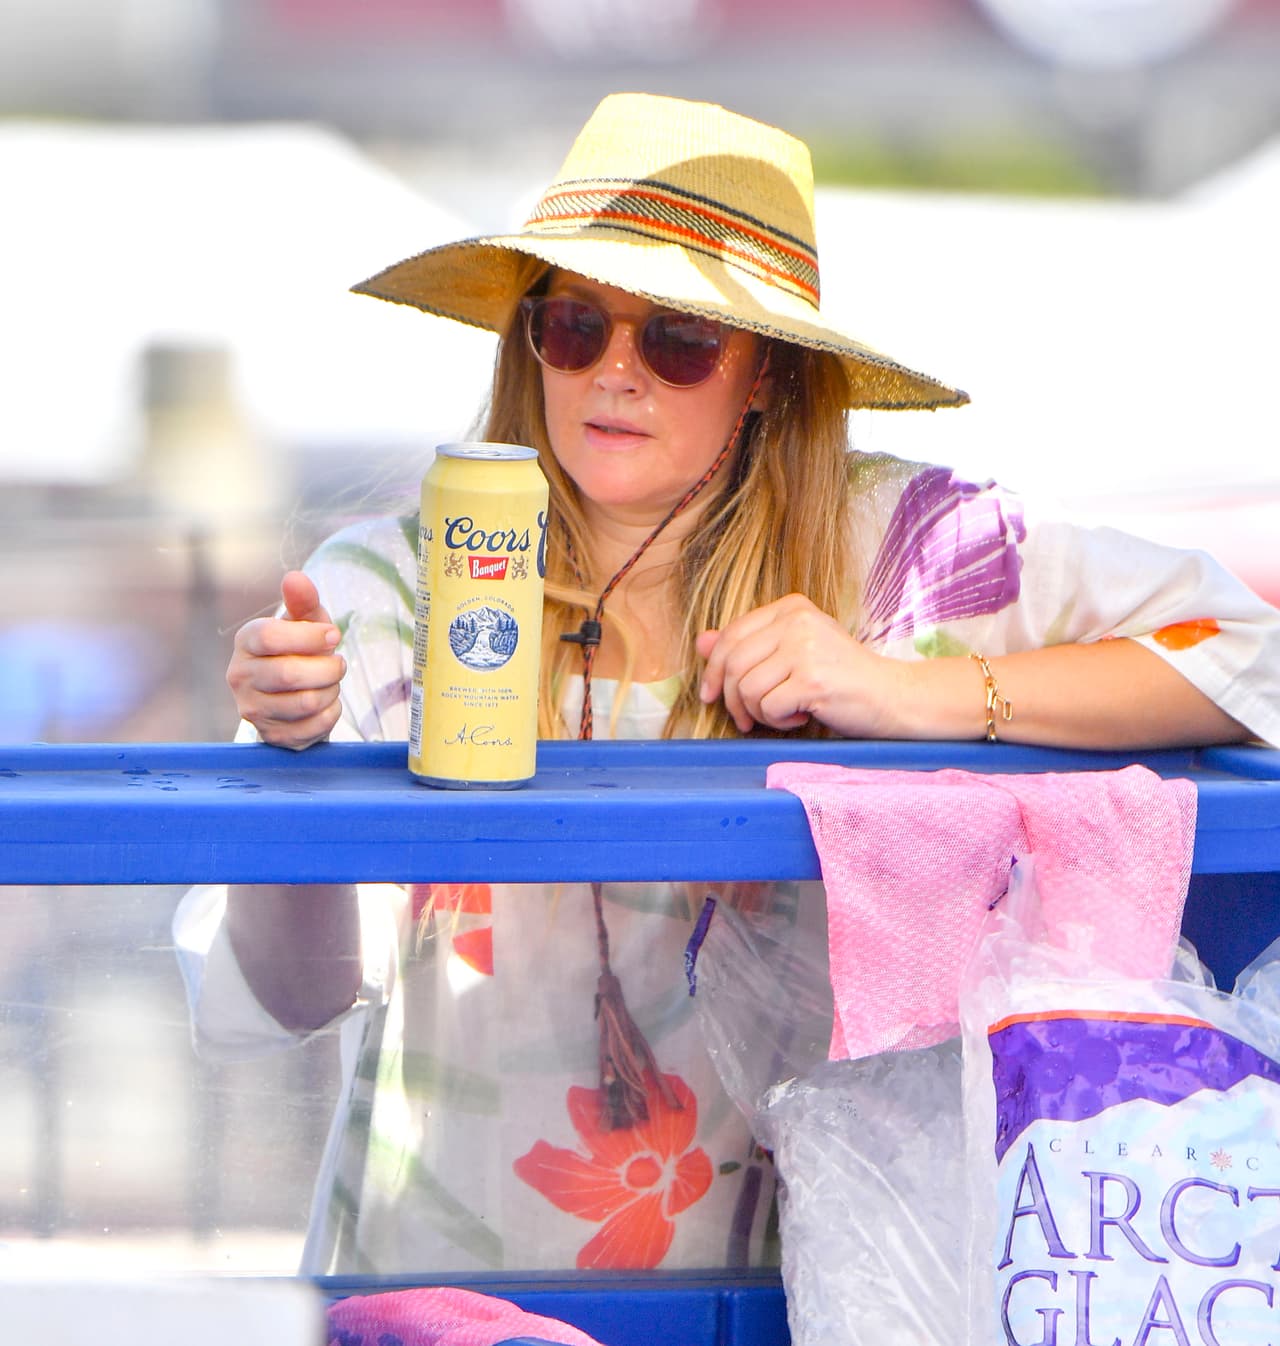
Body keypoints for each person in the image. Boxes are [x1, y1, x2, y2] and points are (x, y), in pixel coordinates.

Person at [173, 92, 1280, 1279]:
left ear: (762, 376)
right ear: (527, 343)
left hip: (771, 1293)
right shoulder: (397, 582)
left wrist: (913, 695)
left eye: (678, 339)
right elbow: (288, 997)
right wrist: (284, 767)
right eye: (573, 327)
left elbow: (1249, 654)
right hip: (441, 1288)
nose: (615, 374)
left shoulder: (900, 548)